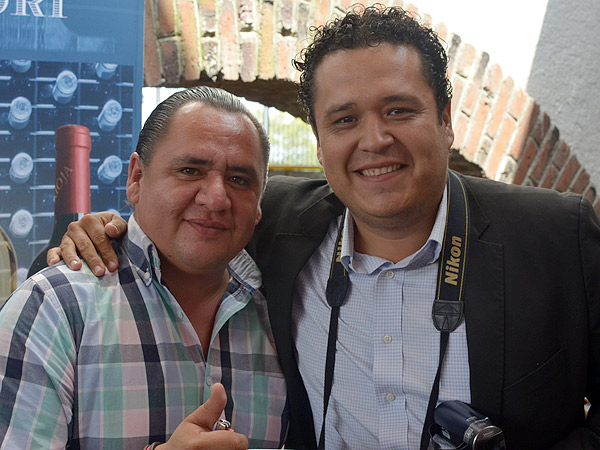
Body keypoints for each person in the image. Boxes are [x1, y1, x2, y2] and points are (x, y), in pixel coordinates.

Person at [48, 5, 600, 450]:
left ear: (446, 120)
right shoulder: (271, 220)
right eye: (344, 119)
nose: (374, 139)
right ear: (318, 141)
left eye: (399, 110)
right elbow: (174, 218)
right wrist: (89, 237)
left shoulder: (558, 237)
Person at [0, 86, 289, 449]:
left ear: (259, 203)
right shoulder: (54, 309)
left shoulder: (282, 319)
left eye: (239, 180)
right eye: (190, 170)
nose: (216, 198)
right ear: (136, 178)